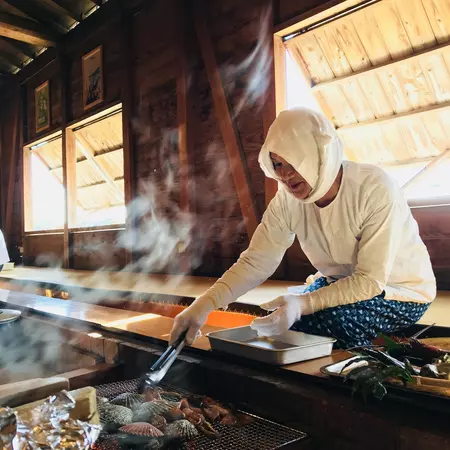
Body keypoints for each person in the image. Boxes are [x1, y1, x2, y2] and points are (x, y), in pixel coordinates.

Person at [170, 107, 436, 349]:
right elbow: (256, 261)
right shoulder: (287, 201)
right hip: (339, 283)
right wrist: (204, 304)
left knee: (331, 326)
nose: (285, 175)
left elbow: (369, 281)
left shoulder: (374, 188)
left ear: (317, 154)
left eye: (293, 161)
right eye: (278, 165)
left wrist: (303, 304)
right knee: (281, 321)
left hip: (399, 291)